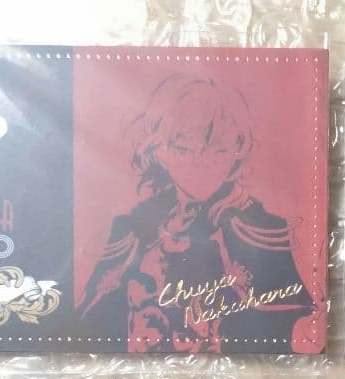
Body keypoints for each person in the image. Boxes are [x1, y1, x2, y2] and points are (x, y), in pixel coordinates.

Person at [77, 74, 320, 353]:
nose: (200, 163)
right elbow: (90, 326)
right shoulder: (132, 228)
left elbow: (293, 326)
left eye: (219, 151)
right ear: (157, 149)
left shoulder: (263, 230)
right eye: (183, 149)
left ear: (239, 149)